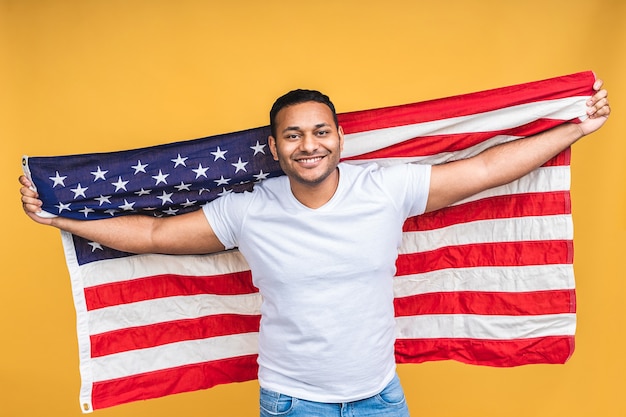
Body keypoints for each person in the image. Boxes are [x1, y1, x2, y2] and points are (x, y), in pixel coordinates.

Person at [20, 80, 610, 417]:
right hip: (294, 403)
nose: (309, 145)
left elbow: (483, 170)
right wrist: (59, 216)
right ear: (275, 149)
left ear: (340, 139)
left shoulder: (384, 187)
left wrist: (573, 127)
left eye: (320, 131)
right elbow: (152, 234)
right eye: (293, 135)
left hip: (381, 396)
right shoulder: (248, 208)